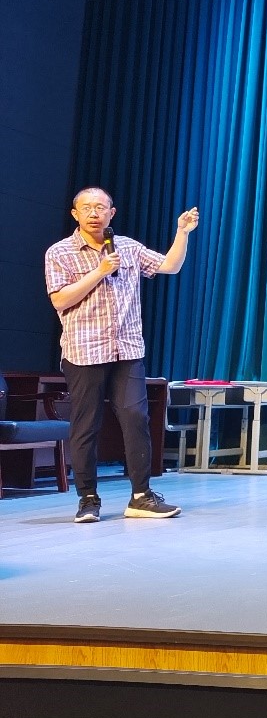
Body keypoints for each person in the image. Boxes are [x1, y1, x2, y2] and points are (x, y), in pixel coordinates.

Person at [44, 187, 200, 523]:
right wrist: (99, 271)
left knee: (135, 418)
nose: (94, 213)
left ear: (111, 213)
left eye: (101, 207)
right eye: (87, 208)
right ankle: (88, 499)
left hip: (126, 350)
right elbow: (60, 300)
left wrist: (182, 232)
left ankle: (141, 496)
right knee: (86, 426)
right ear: (75, 214)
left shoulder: (127, 247)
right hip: (84, 352)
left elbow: (170, 266)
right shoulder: (60, 252)